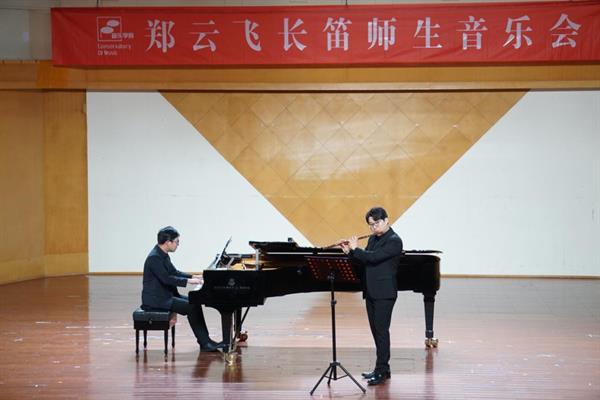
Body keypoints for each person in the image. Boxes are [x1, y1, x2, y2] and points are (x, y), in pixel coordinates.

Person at [340, 207, 403, 386]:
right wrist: (350, 252)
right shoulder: (373, 239)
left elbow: (374, 258)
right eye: (371, 225)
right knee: (376, 331)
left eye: (376, 223)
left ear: (386, 220)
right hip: (371, 291)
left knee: (381, 332)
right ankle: (383, 368)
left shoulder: (394, 241)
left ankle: (381, 370)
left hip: (384, 293)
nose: (374, 227)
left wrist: (356, 249)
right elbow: (364, 261)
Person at [141, 226, 225, 352]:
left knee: (195, 302)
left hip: (164, 295)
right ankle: (205, 343)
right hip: (156, 299)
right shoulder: (154, 258)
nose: (178, 244)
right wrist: (189, 281)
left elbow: (174, 272)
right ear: (168, 242)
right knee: (191, 306)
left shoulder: (162, 254)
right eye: (177, 241)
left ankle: (205, 341)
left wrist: (193, 276)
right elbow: (166, 279)